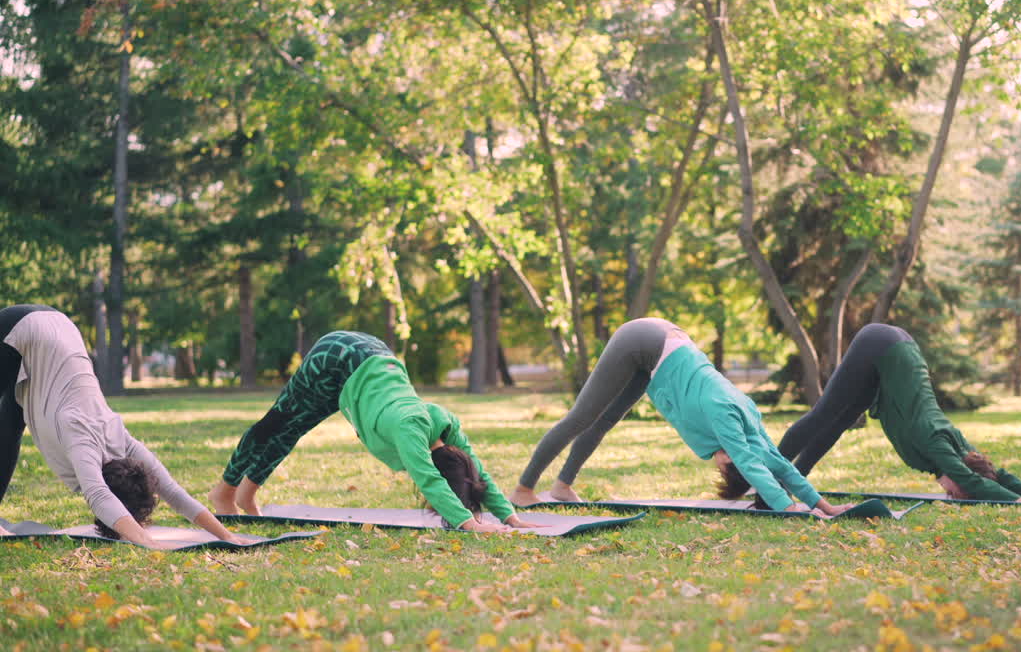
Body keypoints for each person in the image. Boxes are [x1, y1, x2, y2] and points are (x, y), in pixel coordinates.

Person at [509, 318, 854, 517]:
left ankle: (562, 486)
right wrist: (787, 508)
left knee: (605, 420)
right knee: (582, 417)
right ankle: (524, 488)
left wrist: (823, 506)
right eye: (723, 467)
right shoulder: (728, 422)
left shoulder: (749, 417)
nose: (717, 463)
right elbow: (749, 463)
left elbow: (780, 464)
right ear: (729, 460)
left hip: (663, 352)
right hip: (644, 340)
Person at [210, 330, 537, 533]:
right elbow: (430, 479)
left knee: (294, 427)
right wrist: (467, 523)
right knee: (279, 422)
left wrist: (511, 518)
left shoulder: (445, 422)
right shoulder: (411, 430)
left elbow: (477, 469)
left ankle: (246, 494)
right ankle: (224, 491)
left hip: (371, 357)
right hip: (337, 358)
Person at [0, 304, 244, 548]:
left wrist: (226, 535)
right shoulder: (82, 440)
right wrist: (148, 542)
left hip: (56, 328)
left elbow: (173, 491)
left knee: (9, 427)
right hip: (22, 329)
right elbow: (99, 495)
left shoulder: (121, 439)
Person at [776, 323, 1021, 506]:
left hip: (897, 354)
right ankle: (767, 483)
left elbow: (997, 476)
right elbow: (976, 483)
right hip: (882, 345)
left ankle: (788, 484)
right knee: (822, 416)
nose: (950, 493)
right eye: (955, 493)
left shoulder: (958, 446)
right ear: (961, 477)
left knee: (839, 421)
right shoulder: (937, 446)